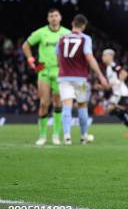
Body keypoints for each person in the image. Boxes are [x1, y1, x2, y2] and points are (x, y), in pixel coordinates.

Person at [57, 14, 108, 144]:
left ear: (72, 23)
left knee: (66, 106)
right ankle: (83, 135)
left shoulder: (62, 38)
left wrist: (63, 70)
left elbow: (58, 58)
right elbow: (89, 57)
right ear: (84, 26)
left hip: (64, 77)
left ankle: (67, 136)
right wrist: (100, 75)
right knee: (82, 105)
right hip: (80, 78)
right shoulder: (85, 39)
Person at [22, 8, 70, 146]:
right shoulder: (41, 32)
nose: (54, 18)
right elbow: (26, 45)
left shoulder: (66, 33)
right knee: (44, 103)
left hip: (60, 71)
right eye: (51, 16)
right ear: (48, 19)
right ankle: (42, 136)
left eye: (56, 15)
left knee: (58, 103)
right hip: (43, 69)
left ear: (60, 18)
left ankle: (55, 135)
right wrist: (31, 59)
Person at [102, 48, 128, 137]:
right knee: (116, 112)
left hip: (120, 92)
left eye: (104, 55)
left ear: (110, 56)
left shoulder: (113, 65)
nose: (102, 58)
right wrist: (106, 86)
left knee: (110, 109)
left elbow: (124, 73)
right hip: (117, 92)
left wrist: (117, 83)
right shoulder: (108, 68)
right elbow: (114, 82)